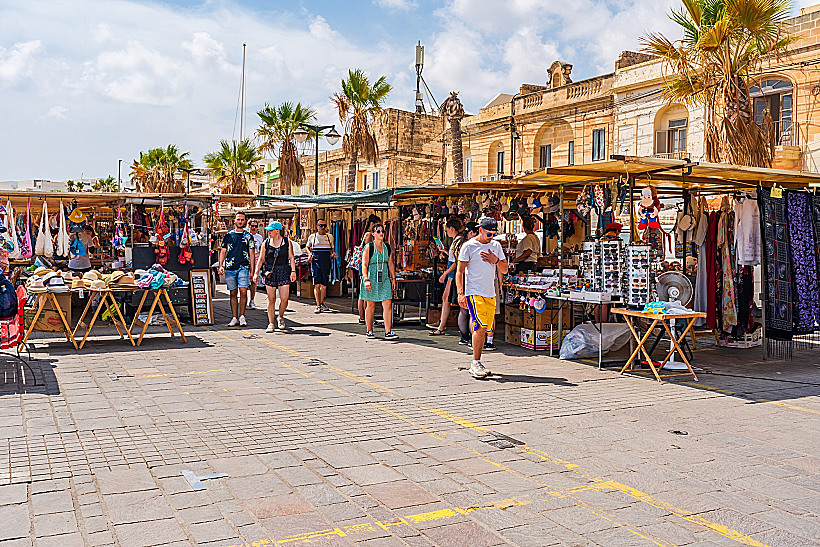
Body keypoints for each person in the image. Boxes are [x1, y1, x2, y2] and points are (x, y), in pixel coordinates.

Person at [457, 217, 508, 379]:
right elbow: (459, 271)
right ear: (480, 230)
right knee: (479, 327)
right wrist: (460, 293)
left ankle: (477, 361)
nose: (491, 237)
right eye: (488, 233)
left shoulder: (496, 246)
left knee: (485, 328)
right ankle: (475, 363)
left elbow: (505, 269)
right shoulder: (469, 246)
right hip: (474, 292)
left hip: (490, 293)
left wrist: (496, 260)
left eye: (493, 234)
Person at [256, 221, 296, 333]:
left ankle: (280, 316)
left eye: (270, 230)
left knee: (284, 299)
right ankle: (271, 323)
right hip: (270, 272)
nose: (268, 232)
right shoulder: (266, 243)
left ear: (277, 231)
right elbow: (261, 259)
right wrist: (255, 272)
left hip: (283, 270)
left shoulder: (287, 242)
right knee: (271, 299)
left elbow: (291, 257)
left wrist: (293, 271)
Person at [360, 223, 398, 340]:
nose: (381, 233)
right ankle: (369, 330)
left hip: (384, 278)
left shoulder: (387, 246)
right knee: (371, 305)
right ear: (373, 234)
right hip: (372, 277)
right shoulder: (369, 247)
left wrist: (393, 278)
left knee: (387, 303)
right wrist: (366, 279)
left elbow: (390, 263)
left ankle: (388, 331)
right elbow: (364, 264)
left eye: (382, 231)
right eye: (378, 231)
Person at [218, 211, 256, 327]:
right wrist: (220, 265)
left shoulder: (249, 236)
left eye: (242, 219)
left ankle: (242, 316)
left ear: (245, 221)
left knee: (243, 290)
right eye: (238, 219)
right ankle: (234, 317)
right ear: (234, 221)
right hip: (230, 267)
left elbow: (252, 254)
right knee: (233, 292)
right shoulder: (228, 236)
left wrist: (253, 271)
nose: (240, 221)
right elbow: (223, 251)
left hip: (243, 267)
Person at [429, 216, 464, 336]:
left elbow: (456, 261)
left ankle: (444, 326)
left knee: (448, 299)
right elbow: (453, 257)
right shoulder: (457, 241)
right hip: (452, 272)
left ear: (452, 229)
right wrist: (443, 251)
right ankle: (442, 325)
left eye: (447, 229)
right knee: (446, 299)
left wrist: (445, 273)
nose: (446, 232)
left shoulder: (458, 241)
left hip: (453, 273)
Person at [305, 219, 336, 314]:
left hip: (326, 262)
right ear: (317, 226)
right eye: (320, 225)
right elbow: (307, 247)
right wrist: (309, 254)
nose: (323, 227)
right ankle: (318, 305)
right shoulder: (313, 237)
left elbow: (331, 249)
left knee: (324, 285)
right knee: (317, 284)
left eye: (324, 225)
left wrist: (332, 254)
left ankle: (321, 303)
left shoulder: (329, 237)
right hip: (316, 263)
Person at [455, 222, 478, 346]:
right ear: (472, 233)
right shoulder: (469, 246)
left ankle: (464, 337)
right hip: (467, 278)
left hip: (460, 278)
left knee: (464, 310)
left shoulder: (459, 243)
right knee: (471, 311)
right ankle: (471, 339)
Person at [247, 220, 264, 310]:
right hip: (246, 258)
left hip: (256, 257)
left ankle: (252, 300)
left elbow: (261, 249)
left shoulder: (259, 237)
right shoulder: (245, 235)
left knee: (254, 280)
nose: (254, 228)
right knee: (244, 280)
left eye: (255, 226)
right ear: (248, 226)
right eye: (252, 226)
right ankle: (244, 299)